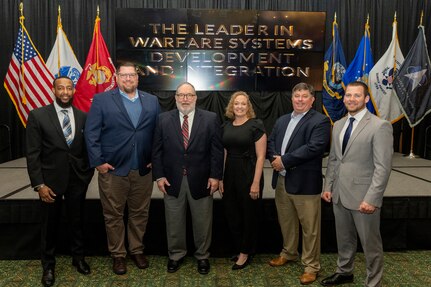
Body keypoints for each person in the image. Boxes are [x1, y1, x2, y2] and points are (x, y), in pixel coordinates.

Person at [85, 62, 160, 275]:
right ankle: (118, 255)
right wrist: (98, 162)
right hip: (112, 170)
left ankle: (136, 250)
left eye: (132, 75)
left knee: (139, 213)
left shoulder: (152, 101)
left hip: (143, 169)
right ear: (116, 77)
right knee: (113, 215)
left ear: (138, 78)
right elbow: (91, 134)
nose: (128, 79)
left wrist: (155, 158)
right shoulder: (102, 100)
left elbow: (158, 133)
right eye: (124, 75)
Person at [321, 81, 393, 287]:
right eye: (348, 95)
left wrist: (372, 199)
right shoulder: (339, 124)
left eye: (357, 96)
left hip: (364, 197)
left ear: (366, 99)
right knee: (344, 239)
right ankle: (344, 272)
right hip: (339, 195)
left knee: (370, 244)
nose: (351, 99)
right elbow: (335, 159)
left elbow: (383, 168)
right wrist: (328, 187)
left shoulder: (380, 126)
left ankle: (374, 282)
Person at [26, 76, 94, 287]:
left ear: (74, 91)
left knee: (77, 221)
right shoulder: (38, 116)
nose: (65, 92)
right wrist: (39, 184)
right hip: (50, 182)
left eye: (69, 88)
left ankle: (78, 258)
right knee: (50, 225)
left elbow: (86, 151)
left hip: (77, 180)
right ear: (53, 90)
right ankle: (48, 265)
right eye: (60, 88)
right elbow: (33, 153)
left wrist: (86, 176)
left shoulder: (83, 117)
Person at [152, 82, 223, 275]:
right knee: (173, 221)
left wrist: (216, 176)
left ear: (195, 98)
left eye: (189, 95)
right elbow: (156, 151)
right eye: (181, 95)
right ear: (175, 98)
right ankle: (175, 255)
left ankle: (202, 256)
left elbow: (216, 151)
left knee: (203, 222)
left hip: (202, 180)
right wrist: (159, 176)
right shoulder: (162, 119)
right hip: (172, 181)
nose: (185, 99)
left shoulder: (210, 118)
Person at [267, 82, 330, 285]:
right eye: (297, 96)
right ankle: (289, 252)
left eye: (304, 96)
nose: (300, 100)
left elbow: (314, 148)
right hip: (283, 181)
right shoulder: (282, 120)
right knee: (287, 222)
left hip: (305, 184)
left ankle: (311, 266)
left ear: (312, 100)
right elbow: (271, 142)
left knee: (310, 228)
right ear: (292, 98)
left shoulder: (320, 121)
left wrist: (283, 160)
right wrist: (274, 158)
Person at [219, 91, 267, 270]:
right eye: (236, 103)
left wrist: (256, 183)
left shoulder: (256, 126)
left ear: (248, 107)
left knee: (249, 215)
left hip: (249, 173)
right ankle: (240, 248)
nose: (239, 106)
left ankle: (246, 252)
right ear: (232, 106)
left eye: (243, 104)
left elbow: (261, 156)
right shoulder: (226, 126)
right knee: (232, 215)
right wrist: (221, 178)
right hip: (230, 174)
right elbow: (224, 153)